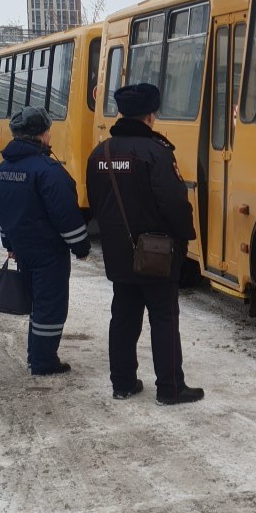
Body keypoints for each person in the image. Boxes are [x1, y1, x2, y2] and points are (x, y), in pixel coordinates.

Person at [86, 82, 202, 405]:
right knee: (163, 317)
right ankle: (170, 388)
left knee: (123, 317)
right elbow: (175, 204)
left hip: (118, 254)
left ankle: (122, 383)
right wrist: (183, 237)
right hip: (156, 254)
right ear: (150, 116)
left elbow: (94, 202)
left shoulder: (100, 154)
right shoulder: (157, 153)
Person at [0, 106, 91, 376]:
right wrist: (81, 246)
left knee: (37, 303)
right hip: (48, 253)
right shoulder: (47, 170)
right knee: (50, 307)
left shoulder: (3, 168)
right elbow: (66, 214)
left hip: (23, 251)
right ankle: (43, 361)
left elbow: (2, 210)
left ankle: (36, 355)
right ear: (42, 134)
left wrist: (9, 244)